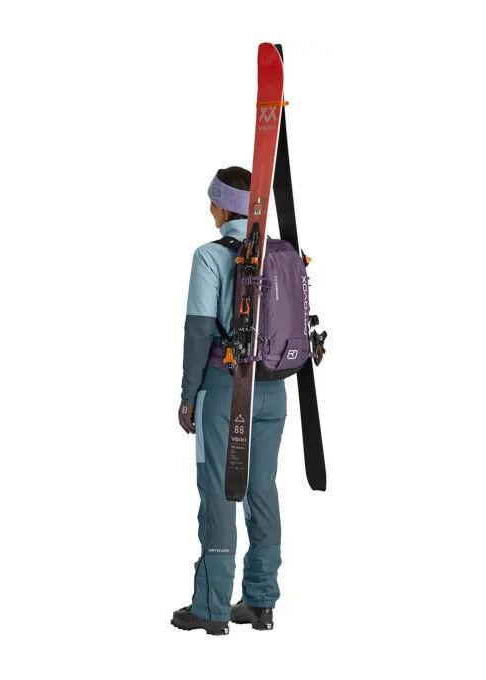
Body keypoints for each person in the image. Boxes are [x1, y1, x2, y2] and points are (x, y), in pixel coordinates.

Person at [171, 166, 286, 635]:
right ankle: (260, 602)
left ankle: (212, 607)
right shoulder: (280, 254)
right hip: (274, 389)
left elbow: (199, 331)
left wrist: (187, 397)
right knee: (261, 490)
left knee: (219, 491)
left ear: (221, 207)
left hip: (225, 387)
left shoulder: (210, 255)